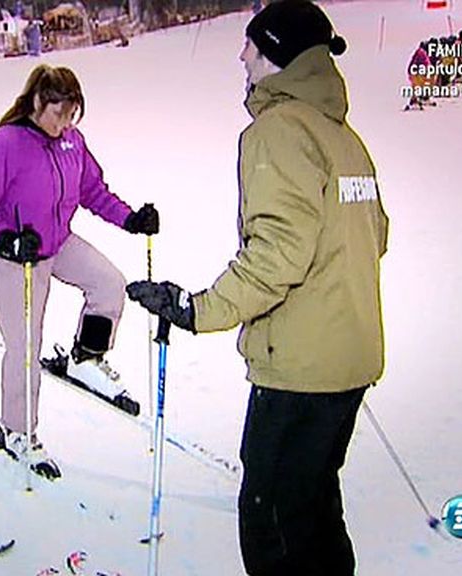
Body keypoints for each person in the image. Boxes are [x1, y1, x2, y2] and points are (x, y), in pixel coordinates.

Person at [126, 2, 388, 574]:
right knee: (314, 506)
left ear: (276, 54)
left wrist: (195, 309)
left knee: (272, 524)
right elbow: (376, 234)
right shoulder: (341, 135)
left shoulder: (278, 130)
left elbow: (278, 255)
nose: (242, 56)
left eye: (252, 46)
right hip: (350, 359)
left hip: (302, 369)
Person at [0, 64, 160, 479]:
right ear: (37, 102)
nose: (64, 123)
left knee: (109, 284)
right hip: (17, 257)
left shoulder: (72, 142)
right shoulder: (6, 143)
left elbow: (93, 191)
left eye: (71, 114)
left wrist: (130, 219)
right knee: (25, 346)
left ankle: (86, 356)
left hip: (58, 242)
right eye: (57, 113)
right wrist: (6, 237)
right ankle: (17, 431)